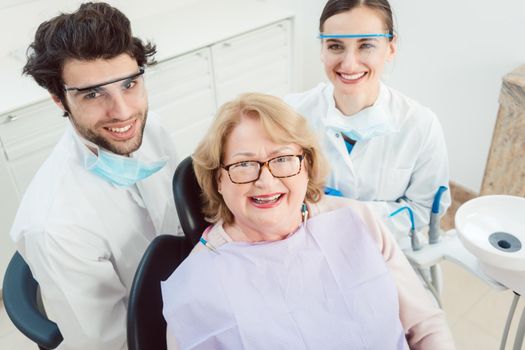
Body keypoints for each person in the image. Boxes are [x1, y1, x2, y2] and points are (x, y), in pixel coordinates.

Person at [161, 93, 455, 349]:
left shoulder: (356, 220)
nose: (266, 180)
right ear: (219, 180)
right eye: (244, 165)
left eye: (282, 159)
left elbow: (426, 326)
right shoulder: (196, 288)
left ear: (307, 165)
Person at [10, 2, 181, 349]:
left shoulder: (150, 130)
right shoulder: (55, 226)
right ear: (59, 99)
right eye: (93, 93)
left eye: (130, 84)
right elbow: (112, 344)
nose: (123, 112)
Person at [285, 0, 451, 240]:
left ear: (390, 48)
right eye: (335, 46)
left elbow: (423, 210)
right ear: (322, 49)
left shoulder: (420, 125)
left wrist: (347, 212)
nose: (350, 64)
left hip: (383, 245)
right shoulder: (292, 112)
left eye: (366, 46)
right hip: (307, 238)